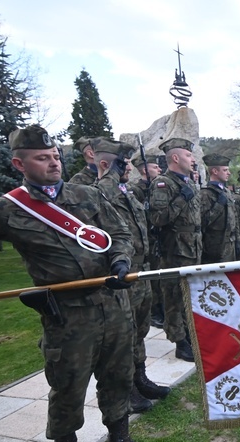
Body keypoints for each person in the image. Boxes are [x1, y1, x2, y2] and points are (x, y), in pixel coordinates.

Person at [0, 125, 148, 442]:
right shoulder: (6, 209)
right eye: (42, 158)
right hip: (66, 314)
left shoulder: (86, 195)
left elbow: (120, 232)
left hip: (113, 303)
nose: (53, 163)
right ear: (20, 163)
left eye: (56, 156)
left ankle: (119, 436)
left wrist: (120, 260)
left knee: (119, 374)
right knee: (68, 382)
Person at [93, 139, 171, 412]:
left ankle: (140, 379)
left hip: (141, 272)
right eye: (122, 163)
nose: (128, 167)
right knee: (123, 336)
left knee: (139, 330)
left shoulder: (124, 190)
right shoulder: (100, 193)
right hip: (122, 274)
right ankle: (126, 390)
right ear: (104, 164)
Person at [148, 137, 201, 362]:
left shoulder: (187, 183)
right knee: (174, 297)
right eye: (188, 155)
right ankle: (179, 342)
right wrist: (181, 199)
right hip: (175, 251)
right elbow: (158, 218)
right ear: (176, 158)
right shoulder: (163, 183)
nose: (193, 159)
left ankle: (189, 335)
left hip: (192, 249)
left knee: (189, 297)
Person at [130, 155, 165, 328]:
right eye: (155, 167)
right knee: (151, 275)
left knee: (159, 273)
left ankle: (160, 307)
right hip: (147, 239)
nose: (159, 170)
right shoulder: (137, 190)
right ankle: (154, 310)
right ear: (145, 169)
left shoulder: (156, 188)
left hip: (157, 237)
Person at [200, 153, 239, 263]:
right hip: (214, 248)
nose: (229, 173)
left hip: (230, 245)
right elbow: (203, 221)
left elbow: (234, 218)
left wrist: (238, 240)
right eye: (225, 170)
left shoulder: (226, 192)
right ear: (215, 171)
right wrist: (218, 205)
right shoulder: (206, 193)